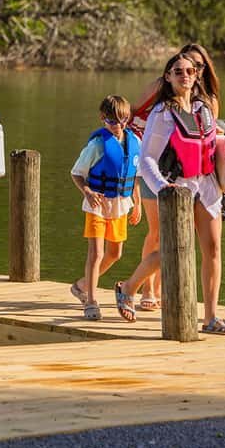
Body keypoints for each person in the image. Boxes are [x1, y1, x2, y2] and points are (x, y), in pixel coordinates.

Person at [115, 51, 225, 333]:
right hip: (178, 187)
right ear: (168, 77)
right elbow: (147, 158)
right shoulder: (162, 113)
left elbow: (212, 144)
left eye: (190, 71)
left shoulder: (203, 108)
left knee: (213, 248)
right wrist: (162, 187)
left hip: (207, 186)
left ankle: (210, 318)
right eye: (178, 71)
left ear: (196, 75)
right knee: (174, 249)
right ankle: (128, 287)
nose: (185, 76)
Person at [67, 96, 142, 320]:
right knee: (96, 253)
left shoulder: (134, 142)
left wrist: (137, 203)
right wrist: (87, 192)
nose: (118, 125)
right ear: (103, 119)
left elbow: (135, 176)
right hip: (97, 205)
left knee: (115, 253)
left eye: (123, 120)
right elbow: (76, 173)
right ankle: (90, 301)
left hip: (120, 204)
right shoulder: (97, 145)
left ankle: (82, 285)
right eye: (112, 121)